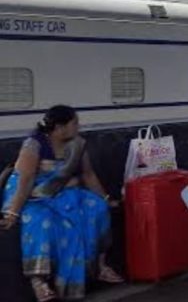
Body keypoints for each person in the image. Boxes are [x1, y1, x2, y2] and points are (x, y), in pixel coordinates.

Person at [0, 105, 123, 302]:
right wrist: (13, 213)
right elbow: (26, 180)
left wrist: (106, 199)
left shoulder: (77, 145)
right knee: (41, 221)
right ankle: (38, 281)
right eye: (74, 123)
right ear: (59, 127)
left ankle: (100, 266)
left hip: (61, 192)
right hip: (30, 194)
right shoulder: (34, 144)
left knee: (97, 208)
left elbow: (88, 175)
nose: (78, 127)